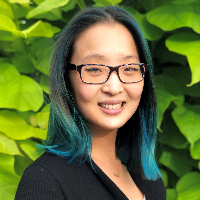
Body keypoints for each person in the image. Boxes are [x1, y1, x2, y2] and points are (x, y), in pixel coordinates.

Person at [15, 6, 166, 200]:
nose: (113, 87)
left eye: (129, 68)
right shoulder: (45, 181)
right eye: (94, 69)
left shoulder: (149, 178)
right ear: (65, 79)